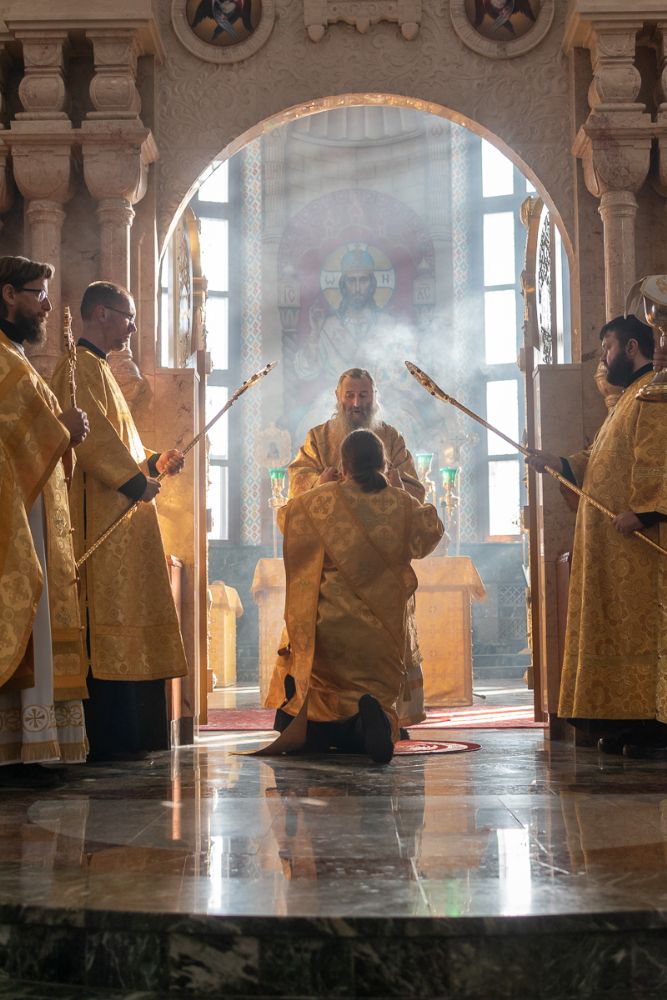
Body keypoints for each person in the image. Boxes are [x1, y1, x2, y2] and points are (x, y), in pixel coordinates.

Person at [51, 280, 188, 762]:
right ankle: (109, 736)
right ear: (102, 313)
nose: (132, 326)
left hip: (121, 518)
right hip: (100, 522)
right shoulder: (77, 367)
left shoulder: (100, 368)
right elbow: (91, 442)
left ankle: (132, 734)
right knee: (103, 621)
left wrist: (153, 461)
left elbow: (121, 440)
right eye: (128, 316)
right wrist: (134, 482)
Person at [527, 315, 667, 758]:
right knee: (617, 631)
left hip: (639, 543)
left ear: (631, 348)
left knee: (642, 633)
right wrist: (559, 462)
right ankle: (624, 721)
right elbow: (599, 455)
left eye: (608, 348)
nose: (603, 360)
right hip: (611, 545)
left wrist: (645, 512)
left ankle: (653, 727)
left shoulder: (654, 393)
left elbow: (658, 455)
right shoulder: (627, 400)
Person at [264, 428, 444, 763]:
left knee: (320, 698)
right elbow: (431, 533)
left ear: (344, 467)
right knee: (374, 693)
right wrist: (402, 491)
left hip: (329, 632)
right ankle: (370, 723)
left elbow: (286, 520)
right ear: (383, 465)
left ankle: (331, 731)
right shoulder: (402, 504)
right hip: (383, 638)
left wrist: (317, 487)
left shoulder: (319, 502)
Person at [287, 367, 430, 734]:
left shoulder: (391, 437)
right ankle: (373, 719)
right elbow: (298, 483)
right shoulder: (318, 437)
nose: (356, 403)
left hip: (368, 573)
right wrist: (318, 482)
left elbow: (414, 488)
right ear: (338, 398)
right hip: (337, 568)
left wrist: (398, 485)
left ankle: (355, 722)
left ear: (373, 397)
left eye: (363, 395)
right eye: (349, 395)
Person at [0, 255, 89, 785]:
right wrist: (61, 428)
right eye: (37, 293)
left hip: (30, 511)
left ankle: (31, 745)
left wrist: (62, 430)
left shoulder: (15, 357)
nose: (47, 305)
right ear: (8, 294)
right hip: (14, 519)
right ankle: (20, 748)